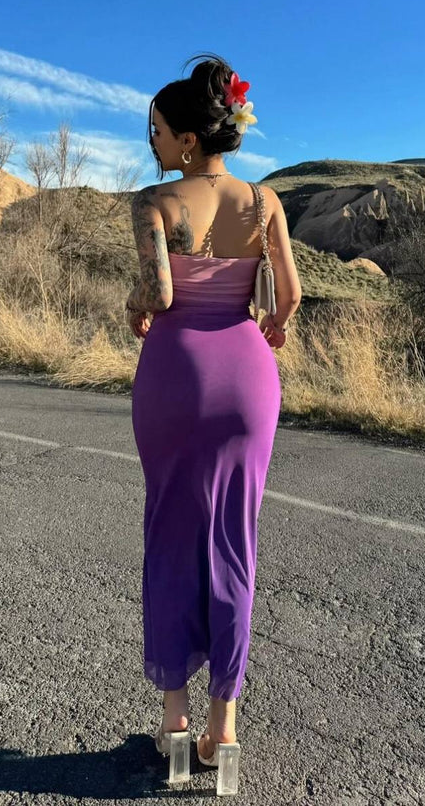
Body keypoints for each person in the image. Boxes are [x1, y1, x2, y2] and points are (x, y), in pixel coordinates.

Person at [127, 53, 302, 782]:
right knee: (235, 542)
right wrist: (271, 329)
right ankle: (222, 730)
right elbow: (288, 294)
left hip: (175, 377)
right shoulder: (265, 202)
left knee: (171, 532)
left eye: (158, 131)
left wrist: (133, 304)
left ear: (188, 139)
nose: (154, 142)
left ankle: (174, 724)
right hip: (247, 379)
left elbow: (160, 294)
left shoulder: (154, 202)